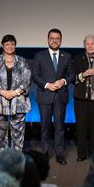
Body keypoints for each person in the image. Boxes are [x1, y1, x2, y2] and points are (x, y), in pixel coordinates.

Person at [32, 28, 74, 165]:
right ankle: (44, 153)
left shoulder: (67, 56)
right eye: (52, 38)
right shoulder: (39, 55)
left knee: (60, 127)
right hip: (45, 95)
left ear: (61, 40)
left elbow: (71, 75)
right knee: (45, 127)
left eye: (57, 38)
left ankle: (59, 154)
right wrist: (46, 85)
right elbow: (35, 75)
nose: (54, 41)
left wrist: (63, 81)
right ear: (48, 39)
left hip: (60, 97)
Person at [0, 35, 31, 154]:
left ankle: (17, 158)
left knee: (18, 133)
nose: (10, 46)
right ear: (2, 46)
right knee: (0, 133)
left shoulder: (22, 61)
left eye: (12, 44)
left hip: (18, 101)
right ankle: (2, 159)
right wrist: (4, 92)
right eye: (7, 44)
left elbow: (27, 79)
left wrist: (15, 92)